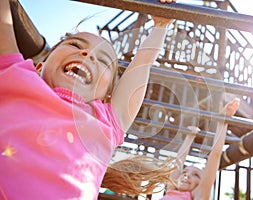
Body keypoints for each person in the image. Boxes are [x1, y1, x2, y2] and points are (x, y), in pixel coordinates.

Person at [0, 0, 174, 199]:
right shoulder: (16, 76)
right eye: (75, 44)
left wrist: (161, 24)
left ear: (107, 97)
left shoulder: (105, 121)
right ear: (39, 66)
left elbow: (143, 62)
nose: (87, 54)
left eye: (103, 61)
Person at [99, 98, 240, 200]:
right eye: (185, 172)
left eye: (196, 175)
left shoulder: (197, 196)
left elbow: (214, 157)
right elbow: (178, 162)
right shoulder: (172, 189)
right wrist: (189, 138)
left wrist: (223, 120)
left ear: (201, 183)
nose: (186, 176)